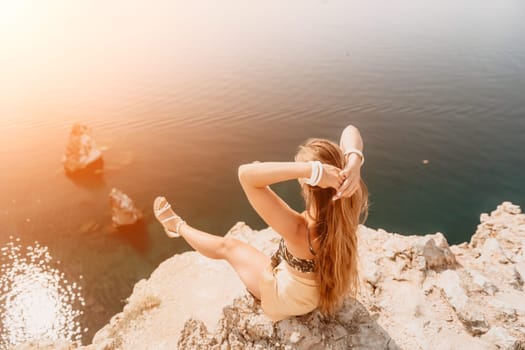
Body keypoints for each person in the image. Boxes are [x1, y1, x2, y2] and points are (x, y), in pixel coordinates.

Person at [153, 124, 369, 321]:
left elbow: (245, 174)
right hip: (320, 291)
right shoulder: (350, 199)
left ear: (308, 181)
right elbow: (351, 130)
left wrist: (308, 170)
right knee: (261, 181)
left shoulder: (298, 229)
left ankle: (177, 226)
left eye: (302, 173)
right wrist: (354, 162)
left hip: (289, 300)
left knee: (229, 247)